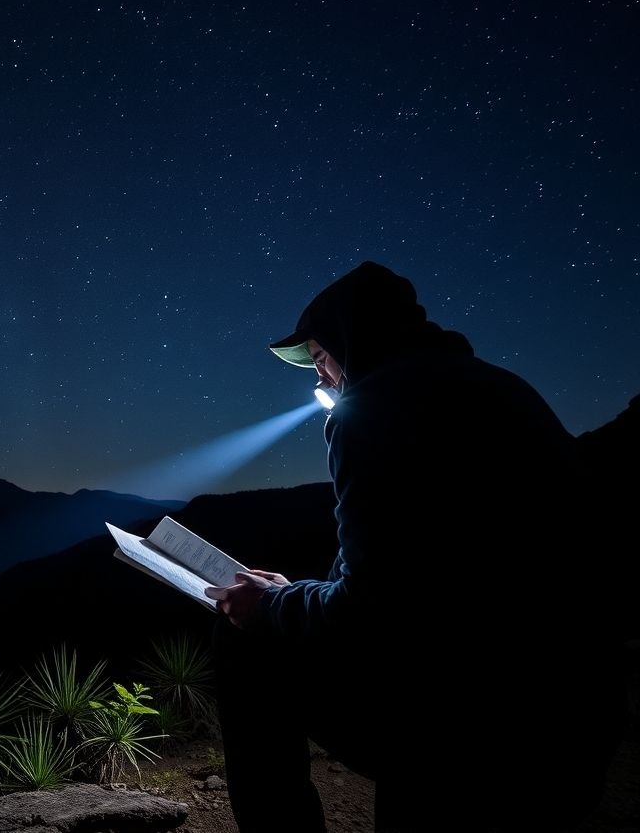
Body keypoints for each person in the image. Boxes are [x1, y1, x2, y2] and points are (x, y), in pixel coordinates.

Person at [204, 260, 626, 833]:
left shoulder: (372, 411)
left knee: (245, 641)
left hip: (475, 734)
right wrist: (296, 595)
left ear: (353, 343)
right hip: (576, 727)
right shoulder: (501, 387)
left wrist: (272, 606)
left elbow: (374, 613)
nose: (321, 381)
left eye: (322, 360)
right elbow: (427, 573)